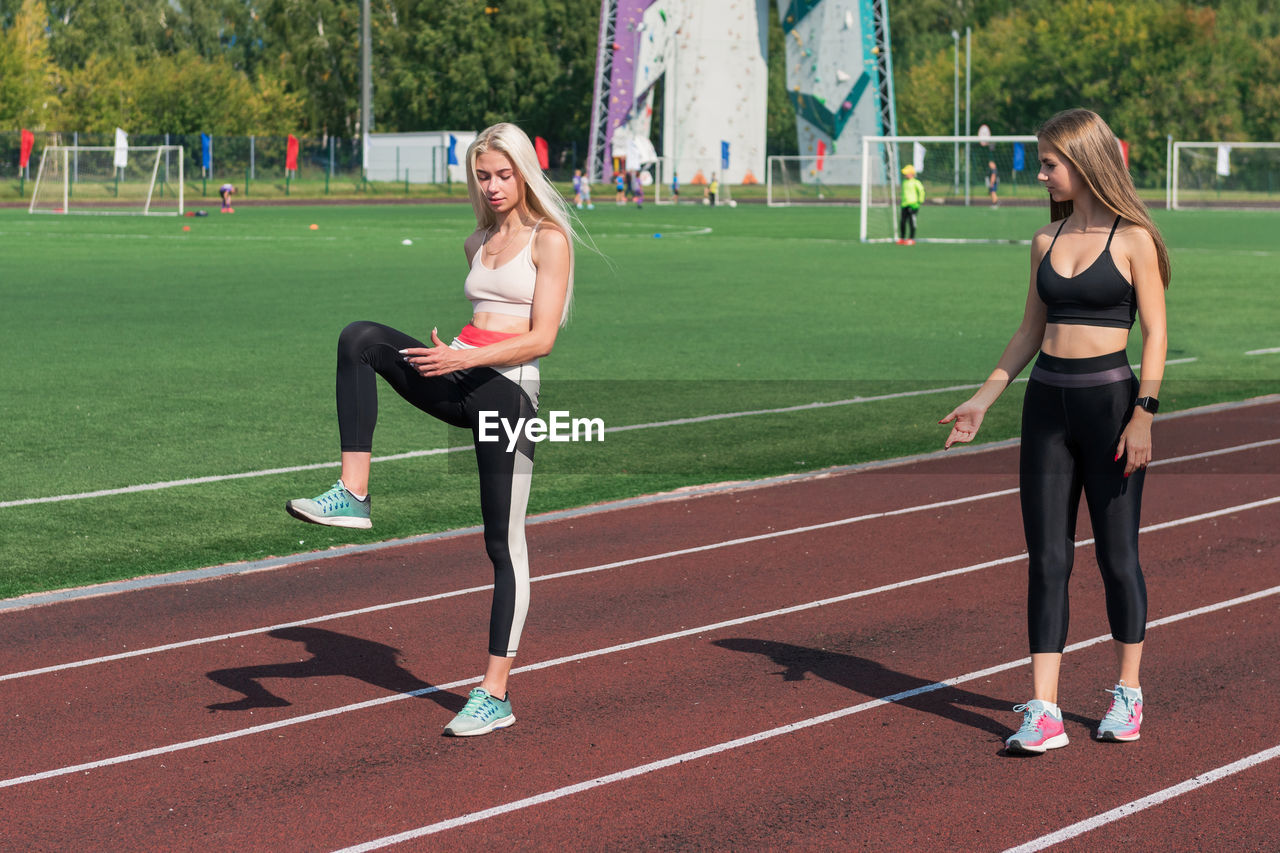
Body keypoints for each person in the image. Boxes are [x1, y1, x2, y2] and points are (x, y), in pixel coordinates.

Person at [284, 122, 576, 738]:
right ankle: (354, 494)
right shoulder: (476, 242)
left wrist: (464, 358)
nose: (493, 186)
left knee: (504, 544)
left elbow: (543, 338)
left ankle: (494, 692)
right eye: (482, 175)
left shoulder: (549, 240)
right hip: (459, 375)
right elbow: (482, 319)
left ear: (524, 172)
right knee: (360, 338)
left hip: (508, 394)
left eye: (503, 174)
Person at [939, 108, 1169, 755]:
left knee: (1117, 558)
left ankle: (1128, 692)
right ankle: (1043, 710)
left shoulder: (1133, 239)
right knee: (1048, 559)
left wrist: (1145, 410)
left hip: (1113, 407)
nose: (1041, 173)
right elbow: (1027, 333)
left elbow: (1157, 331)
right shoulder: (1044, 239)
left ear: (1085, 161)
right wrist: (985, 397)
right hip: (1046, 408)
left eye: (1049, 162)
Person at [897, 165, 923, 244]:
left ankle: (911, 238)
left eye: (907, 173)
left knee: (912, 222)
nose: (905, 175)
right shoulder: (904, 182)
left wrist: (919, 201)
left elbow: (921, 191)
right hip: (904, 205)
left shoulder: (916, 182)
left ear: (911, 173)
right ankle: (902, 238)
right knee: (902, 222)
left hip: (913, 205)